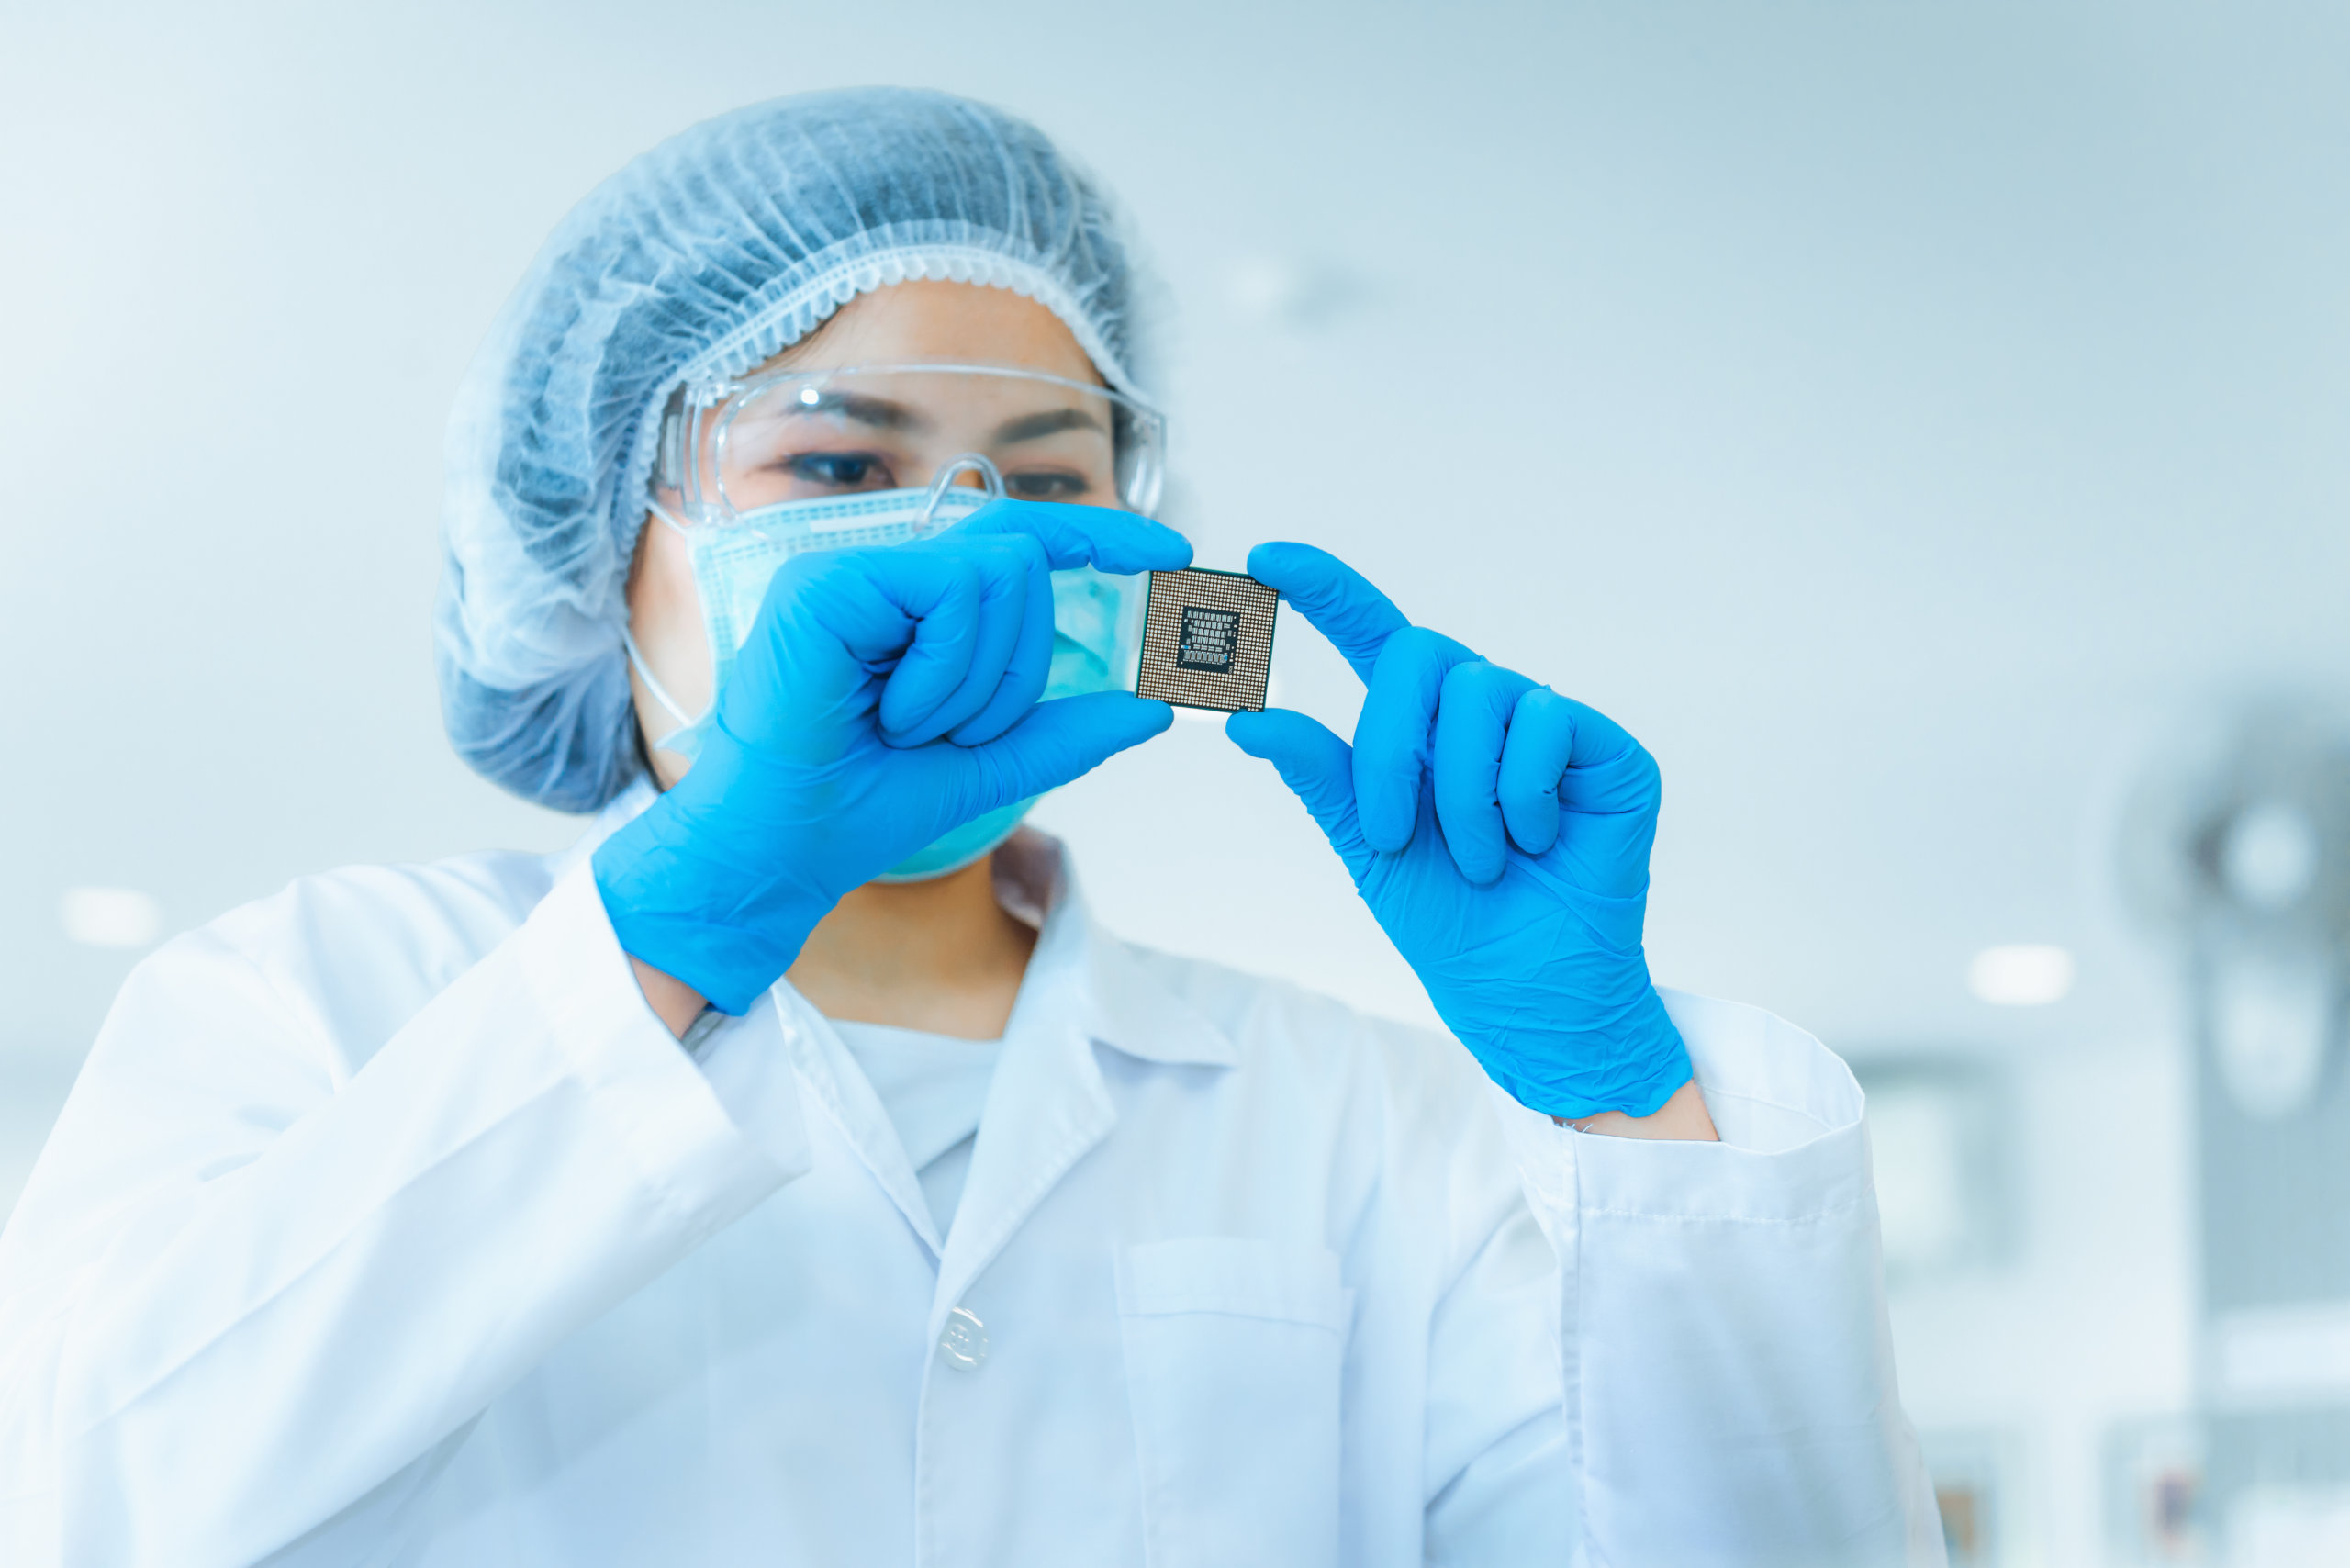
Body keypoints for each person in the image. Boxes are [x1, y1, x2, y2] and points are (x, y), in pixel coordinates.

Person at [0, 89, 1942, 1565]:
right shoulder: (321, 999)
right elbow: (81, 1489)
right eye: (838, 463)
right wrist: (681, 930)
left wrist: (1624, 1101)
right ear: (611, 536)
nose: (970, 551)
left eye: (1045, 472)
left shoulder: (1358, 1119)